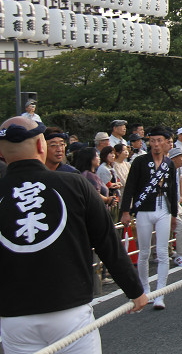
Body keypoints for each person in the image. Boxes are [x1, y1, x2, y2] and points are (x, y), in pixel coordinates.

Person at [0, 117, 146, 353]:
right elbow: (107, 242)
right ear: (41, 146)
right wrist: (135, 290)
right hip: (70, 309)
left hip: (13, 317)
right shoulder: (74, 183)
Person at [121, 127, 178, 310]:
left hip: (163, 208)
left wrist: (175, 214)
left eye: (159, 140)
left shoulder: (169, 164)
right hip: (144, 208)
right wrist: (125, 211)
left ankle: (160, 293)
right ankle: (145, 289)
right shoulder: (139, 161)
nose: (156, 144)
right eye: (152, 141)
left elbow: (173, 190)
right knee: (144, 252)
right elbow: (130, 186)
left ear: (166, 142)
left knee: (162, 252)